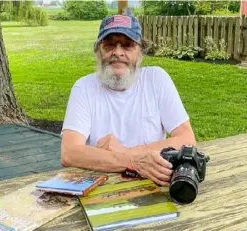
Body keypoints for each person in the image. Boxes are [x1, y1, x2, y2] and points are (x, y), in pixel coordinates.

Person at [61, 15, 196, 186]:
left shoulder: (156, 79)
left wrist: (127, 153)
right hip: (99, 186)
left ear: (141, 52)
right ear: (98, 50)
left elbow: (187, 138)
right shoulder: (84, 88)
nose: (118, 52)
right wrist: (134, 161)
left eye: (128, 45)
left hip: (151, 184)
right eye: (109, 44)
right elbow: (70, 153)